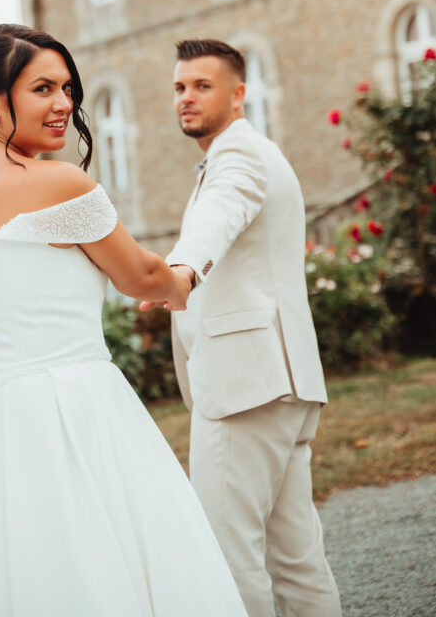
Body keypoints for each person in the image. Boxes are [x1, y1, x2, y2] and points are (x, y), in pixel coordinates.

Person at [0, 23, 247, 617]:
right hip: (78, 414)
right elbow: (142, 279)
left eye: (67, 88)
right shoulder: (58, 185)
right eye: (43, 88)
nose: (64, 105)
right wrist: (184, 279)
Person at [144, 38, 341, 617]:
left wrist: (182, 269)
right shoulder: (250, 153)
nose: (186, 98)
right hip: (281, 385)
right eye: (180, 87)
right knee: (297, 558)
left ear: (238, 94)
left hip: (245, 390)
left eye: (202, 86)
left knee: (229, 558)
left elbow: (219, 215)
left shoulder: (240, 157)